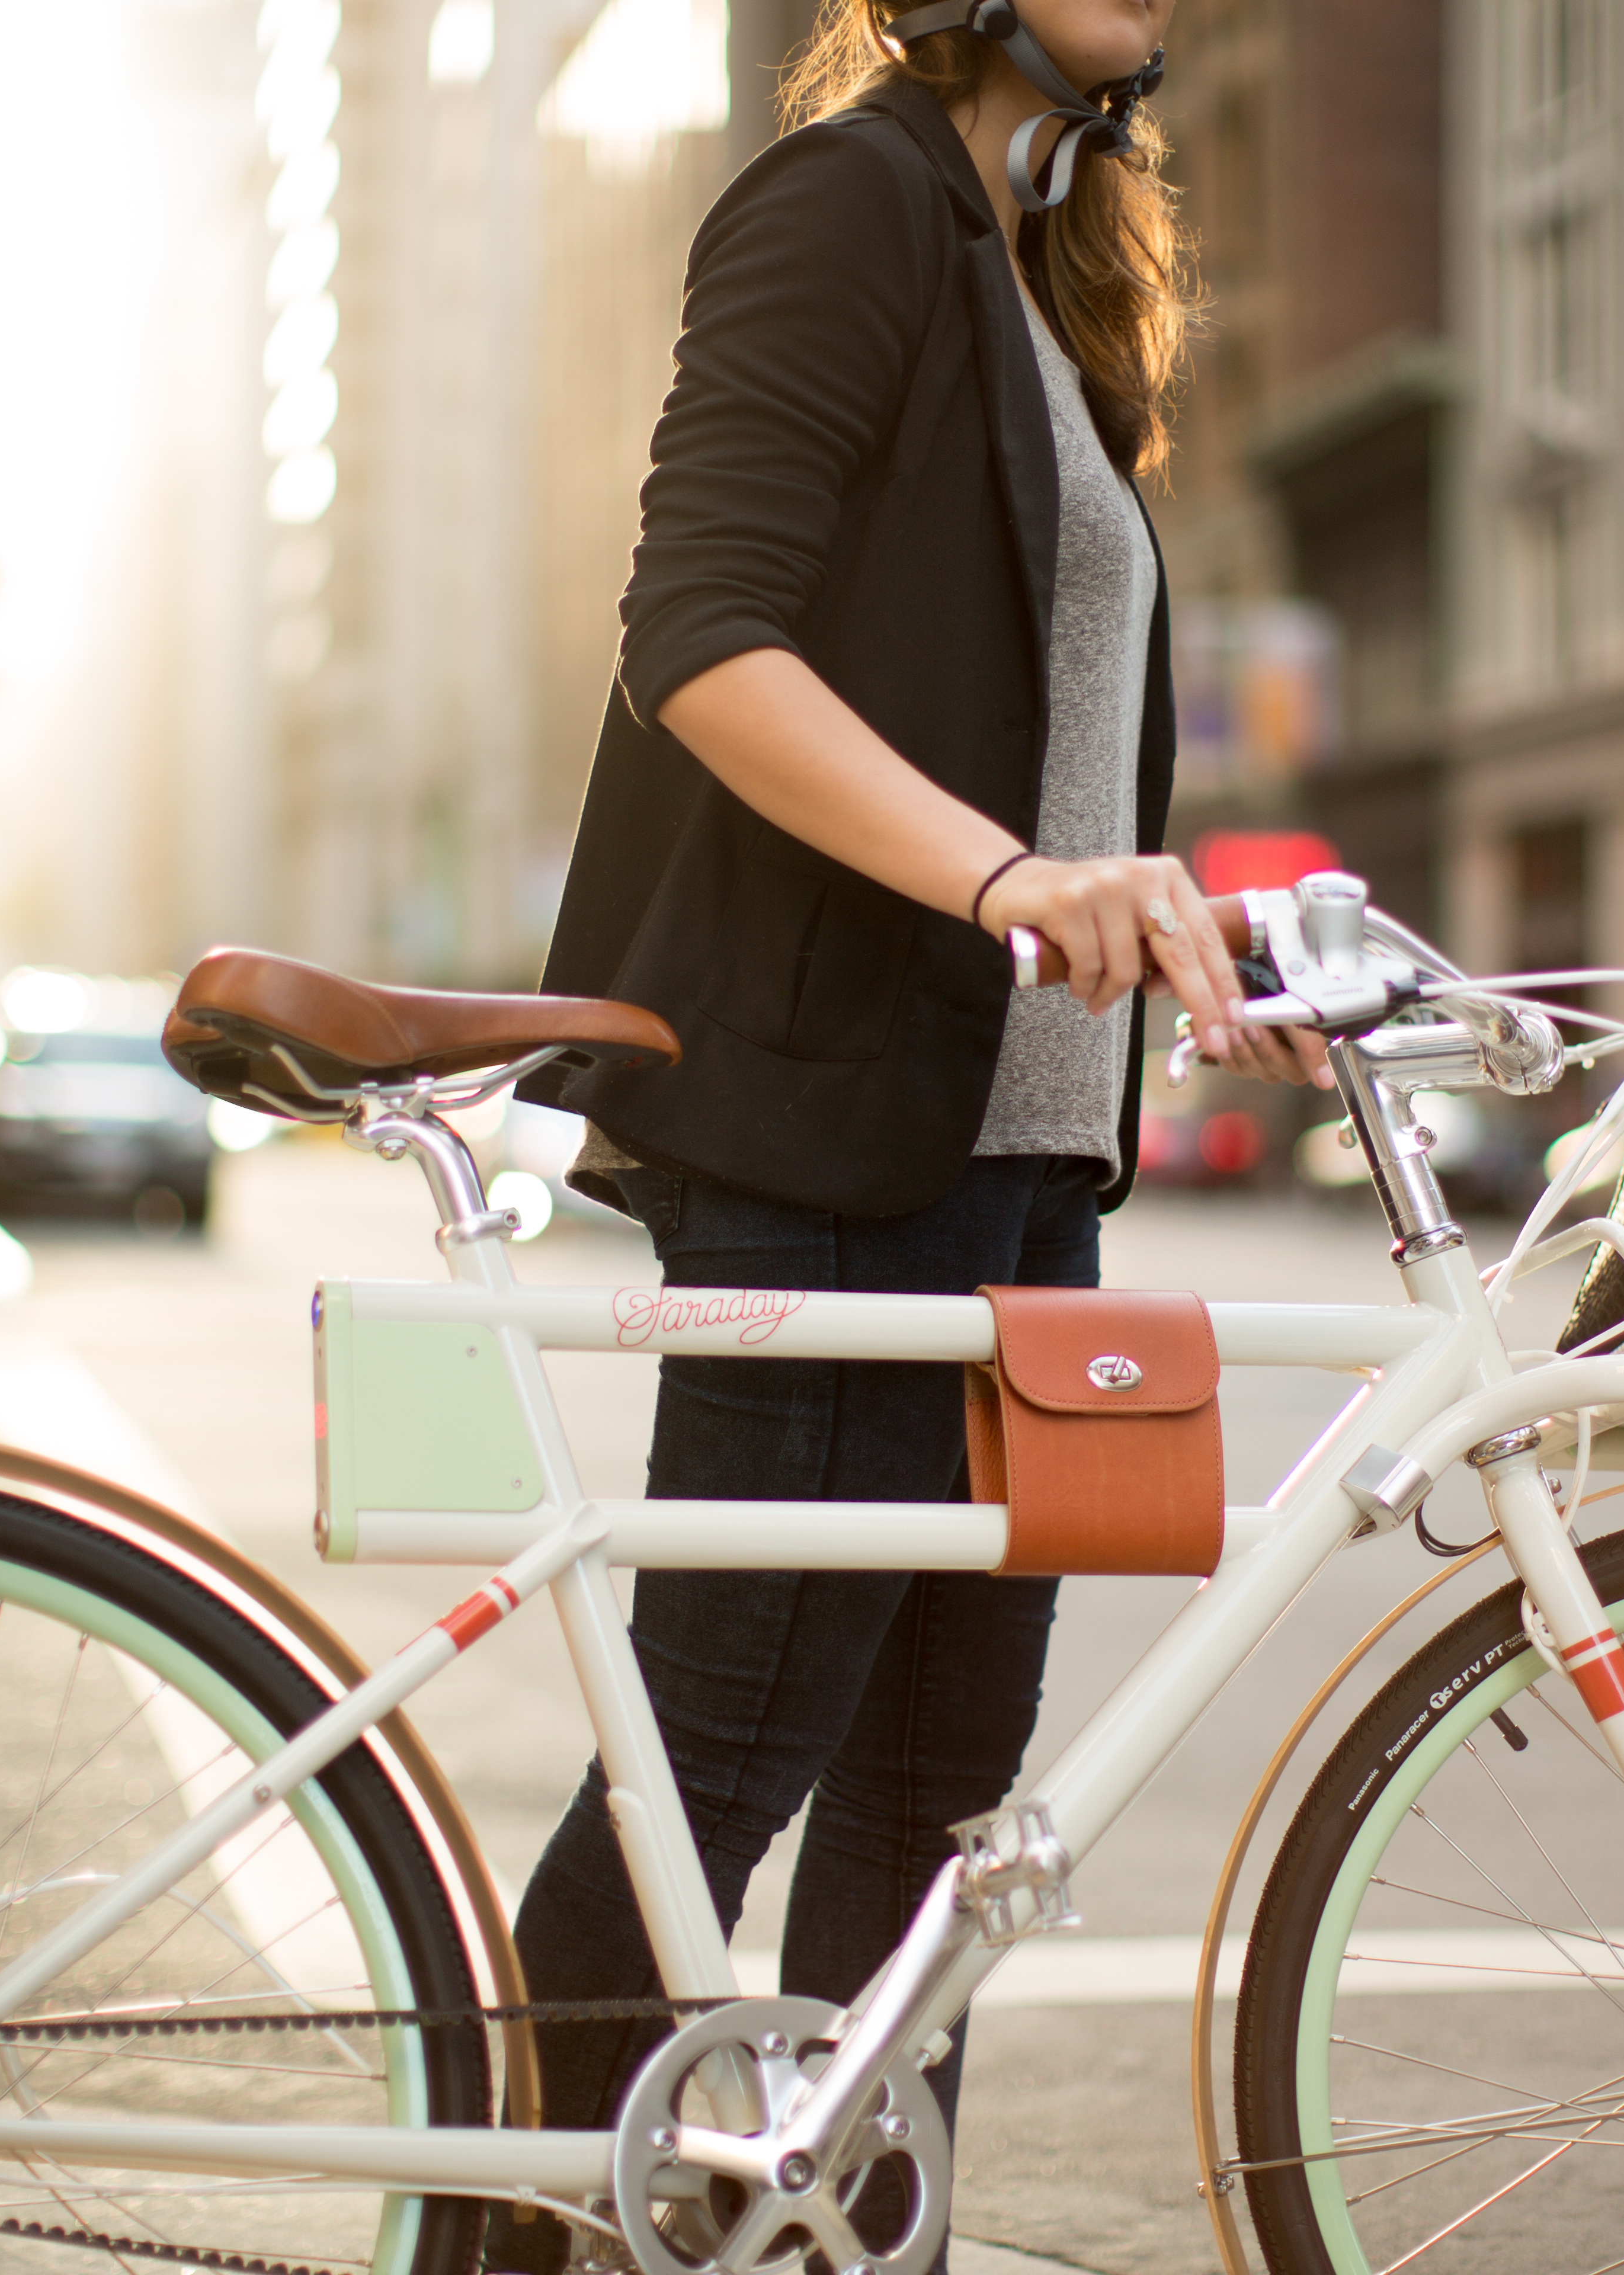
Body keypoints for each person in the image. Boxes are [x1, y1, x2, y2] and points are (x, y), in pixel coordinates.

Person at [504, 1, 1320, 2264]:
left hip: (1020, 1169)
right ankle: (490, 2223)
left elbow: (1039, 733)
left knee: (935, 1830)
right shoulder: (846, 199)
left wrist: (1181, 952)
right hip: (838, 1134)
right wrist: (1007, 882)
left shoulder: (1039, 265)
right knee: (718, 1771)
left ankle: (859, 2239)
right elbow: (699, 634)